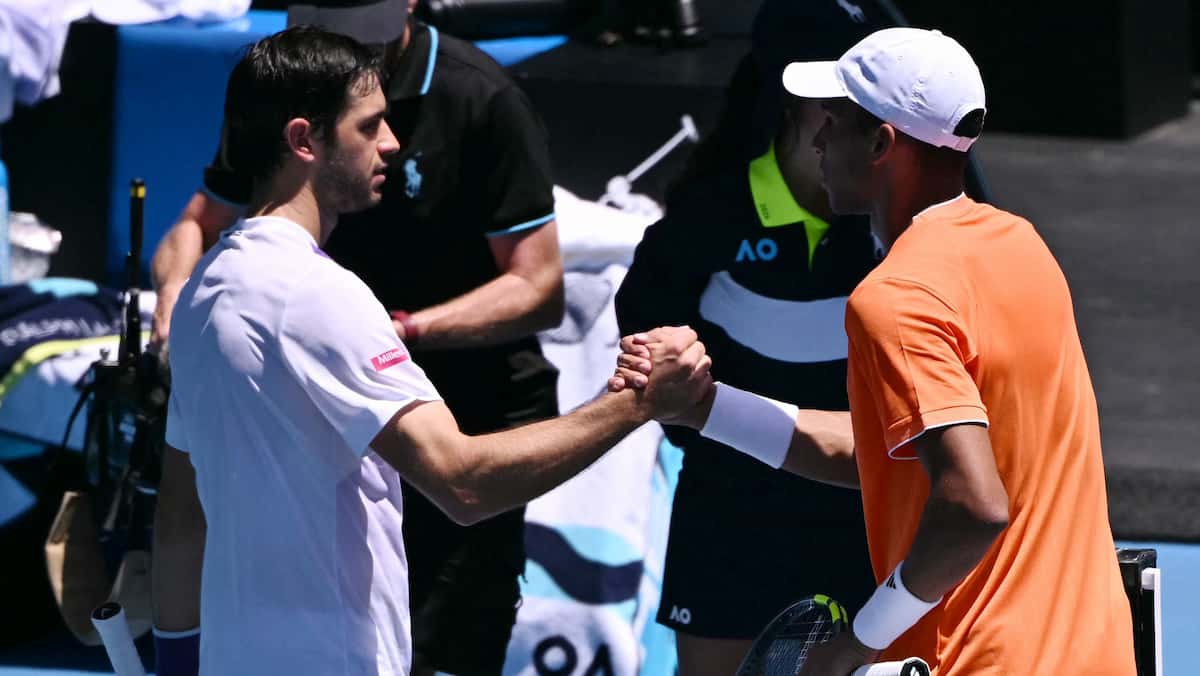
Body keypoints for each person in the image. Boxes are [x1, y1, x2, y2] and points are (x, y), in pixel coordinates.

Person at [151, 26, 711, 676]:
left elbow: (179, 518)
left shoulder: (198, 297)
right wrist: (637, 403)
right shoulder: (320, 295)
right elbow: (463, 482)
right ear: (304, 141)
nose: (391, 144)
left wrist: (174, 664)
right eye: (370, 127)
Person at [612, 27, 1137, 676]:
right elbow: (888, 453)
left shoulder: (895, 297)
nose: (820, 141)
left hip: (977, 662)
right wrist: (705, 409)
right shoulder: (1019, 247)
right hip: (1094, 652)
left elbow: (975, 504)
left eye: (834, 122)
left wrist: (859, 640)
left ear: (882, 145)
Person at [612, 3, 893, 674]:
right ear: (788, 94)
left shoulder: (902, 213)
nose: (848, 110)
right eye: (833, 89)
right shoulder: (711, 216)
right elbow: (650, 342)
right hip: (734, 513)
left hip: (871, 512)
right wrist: (708, 430)